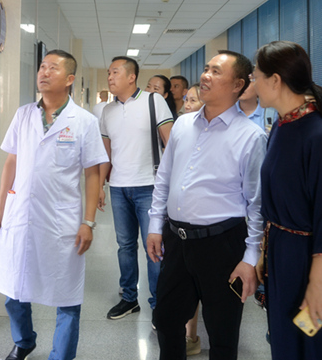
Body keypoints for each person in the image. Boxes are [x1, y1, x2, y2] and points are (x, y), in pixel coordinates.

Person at [147, 50, 266, 359]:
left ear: (238, 84)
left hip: (222, 244)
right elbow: (164, 178)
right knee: (166, 320)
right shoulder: (183, 125)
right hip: (177, 240)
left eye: (216, 71)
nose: (205, 76)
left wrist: (250, 258)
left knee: (222, 332)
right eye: (206, 69)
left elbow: (256, 204)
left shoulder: (251, 136)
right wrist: (155, 226)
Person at [0, 49, 108, 360]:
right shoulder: (23, 114)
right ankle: (24, 340)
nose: (43, 72)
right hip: (20, 214)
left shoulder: (84, 121)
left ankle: (61, 356)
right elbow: (11, 162)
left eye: (52, 68)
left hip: (61, 222)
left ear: (69, 79)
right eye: (42, 67)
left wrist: (88, 222)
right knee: (13, 288)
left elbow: (93, 173)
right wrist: (1, 208)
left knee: (66, 295)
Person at [253, 41, 322, 359]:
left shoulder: (320, 135)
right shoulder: (280, 127)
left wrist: (318, 283)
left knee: (316, 348)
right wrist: (265, 253)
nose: (253, 85)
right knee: (286, 343)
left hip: (312, 259)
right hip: (282, 255)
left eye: (256, 77)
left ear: (275, 80)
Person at [99, 56, 174, 321]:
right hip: (119, 188)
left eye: (115, 72)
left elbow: (172, 145)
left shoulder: (154, 101)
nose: (110, 77)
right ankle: (129, 298)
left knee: (154, 247)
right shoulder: (107, 111)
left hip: (149, 186)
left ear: (131, 77)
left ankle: (159, 304)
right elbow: (106, 153)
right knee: (125, 246)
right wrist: (100, 185)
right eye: (109, 73)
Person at [179, 82, 204, 356]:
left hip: (214, 226)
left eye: (193, 100)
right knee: (188, 286)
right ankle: (190, 335)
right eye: (186, 100)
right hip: (182, 222)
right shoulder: (181, 129)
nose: (187, 105)